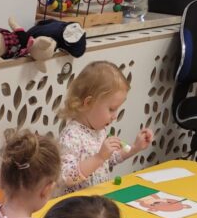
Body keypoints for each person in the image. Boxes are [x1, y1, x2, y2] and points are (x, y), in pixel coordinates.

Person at [59, 61, 153, 193]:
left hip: (98, 199)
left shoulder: (99, 130)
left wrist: (135, 148)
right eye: (111, 109)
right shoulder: (71, 136)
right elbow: (67, 177)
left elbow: (110, 159)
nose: (115, 116)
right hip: (78, 203)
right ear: (88, 103)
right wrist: (99, 157)